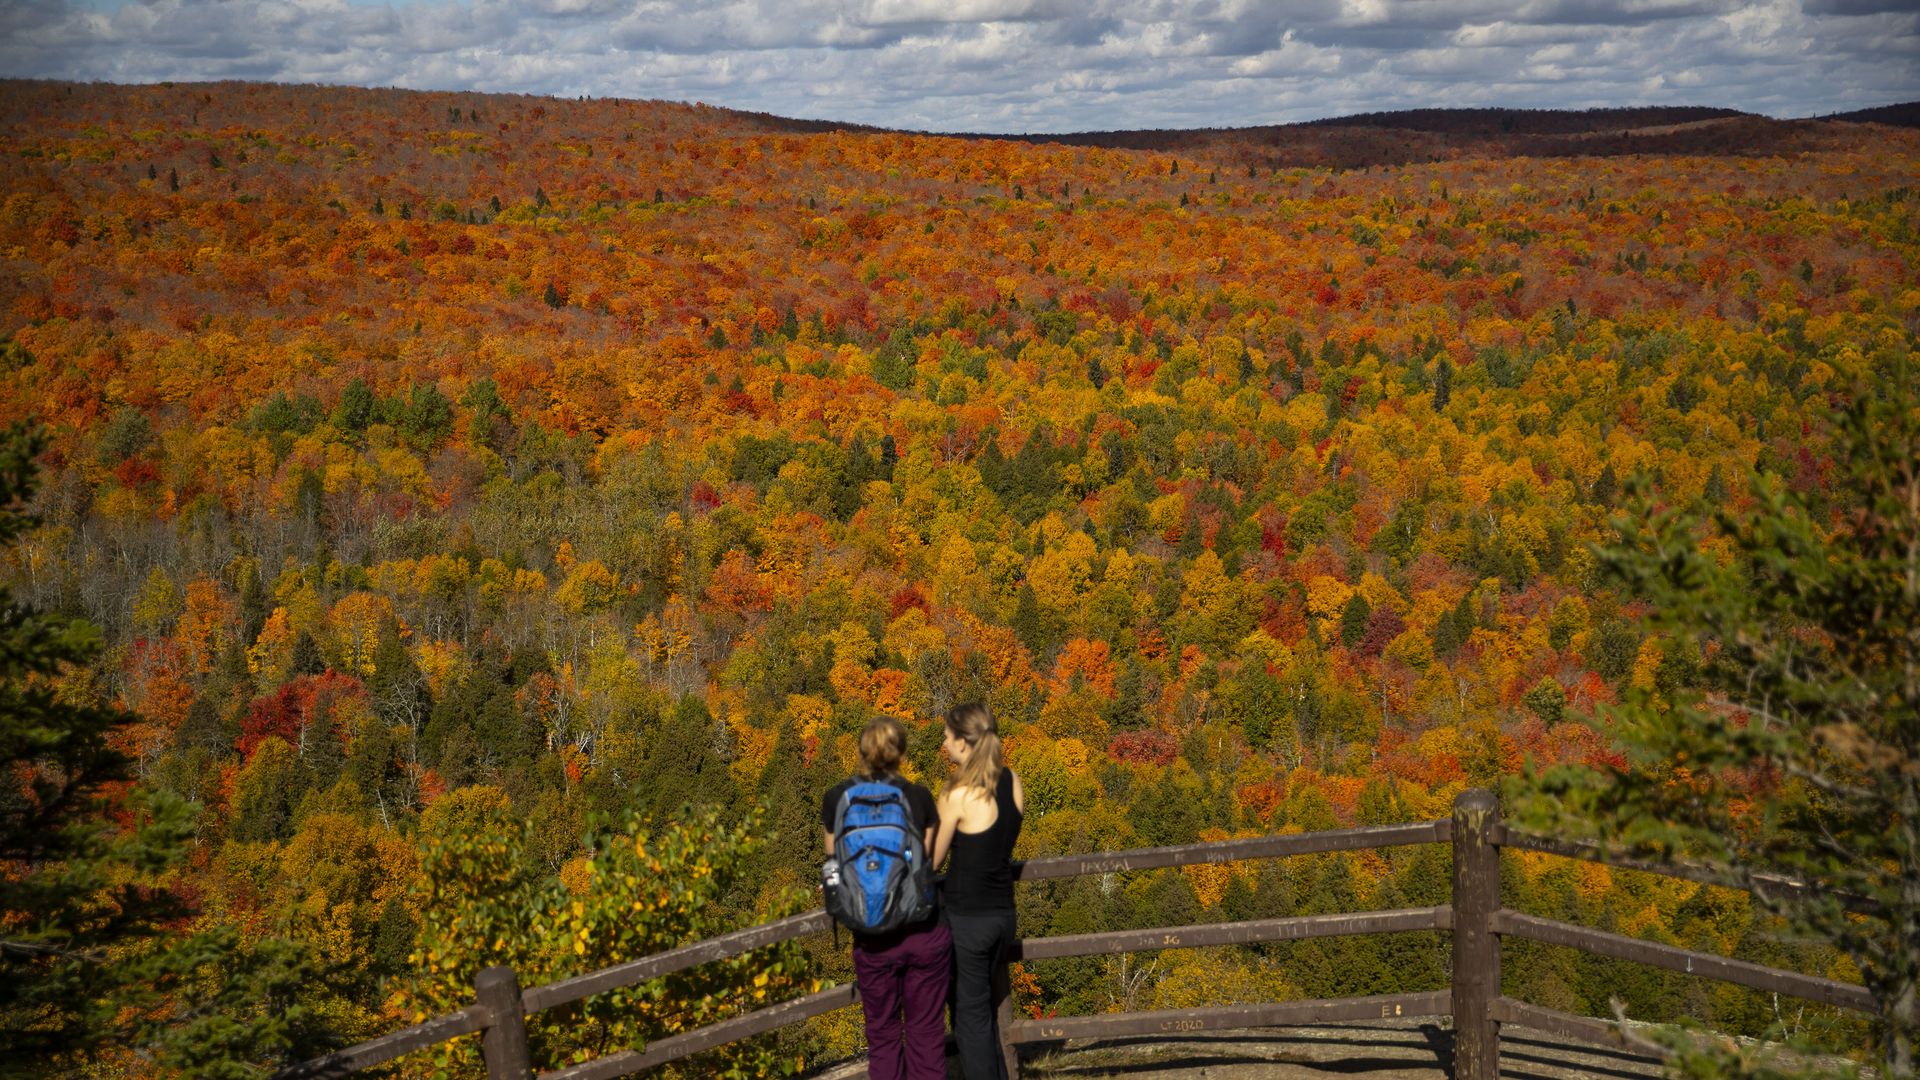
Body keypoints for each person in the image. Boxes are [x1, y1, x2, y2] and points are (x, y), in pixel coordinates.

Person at [821, 716, 951, 1080]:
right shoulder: (918, 796)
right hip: (923, 931)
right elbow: (926, 863)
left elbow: (835, 864)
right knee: (926, 1036)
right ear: (902, 754)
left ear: (861, 752)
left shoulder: (837, 800)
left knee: (882, 1039)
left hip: (872, 936)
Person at [932, 703, 1025, 1080]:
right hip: (1002, 914)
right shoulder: (1012, 781)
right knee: (984, 1012)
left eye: (948, 736)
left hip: (966, 921)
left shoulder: (957, 793)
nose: (943, 741)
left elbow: (931, 861)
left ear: (964, 744)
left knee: (970, 1021)